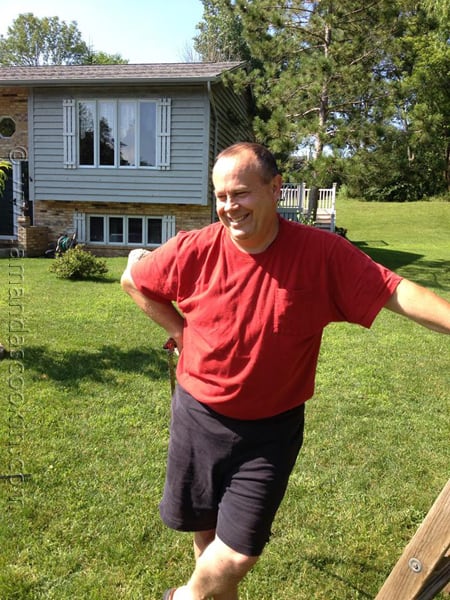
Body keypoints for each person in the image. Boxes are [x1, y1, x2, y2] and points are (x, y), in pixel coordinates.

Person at [121, 142, 450, 600]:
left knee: (236, 554)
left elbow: (394, 290)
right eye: (220, 196)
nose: (229, 208)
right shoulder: (195, 249)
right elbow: (133, 280)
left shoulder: (321, 254)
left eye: (240, 193)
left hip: (270, 431)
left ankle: (185, 598)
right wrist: (181, 331)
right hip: (198, 416)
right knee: (206, 538)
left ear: (275, 189)